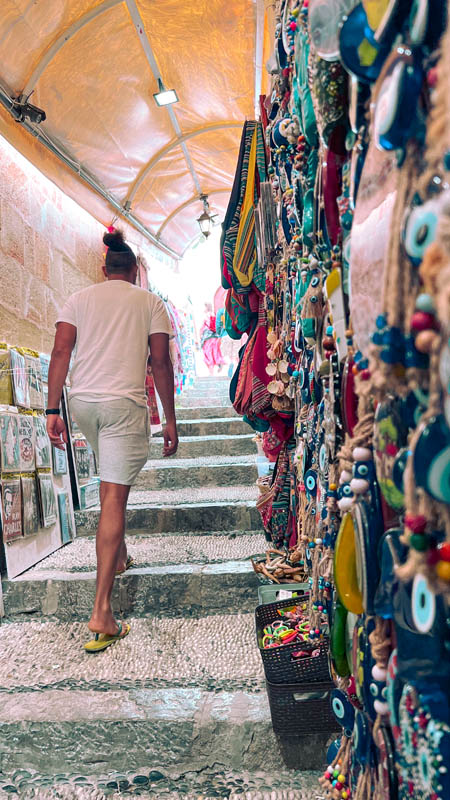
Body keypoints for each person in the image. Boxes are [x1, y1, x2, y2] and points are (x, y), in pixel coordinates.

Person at [46, 229, 178, 652]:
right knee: (113, 498)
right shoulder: (150, 302)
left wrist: (52, 410)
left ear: (104, 270)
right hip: (122, 405)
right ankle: (102, 610)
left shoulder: (79, 299)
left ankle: (118, 556)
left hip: (84, 403)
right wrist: (170, 420)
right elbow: (159, 362)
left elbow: (61, 352)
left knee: (109, 483)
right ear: (136, 271)